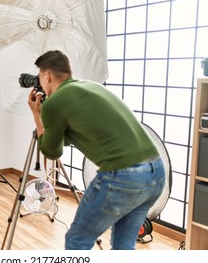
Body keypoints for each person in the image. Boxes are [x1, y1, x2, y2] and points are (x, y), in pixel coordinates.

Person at [27, 50, 165, 250]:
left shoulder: (55, 103)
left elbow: (51, 151)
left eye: (40, 77)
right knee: (123, 245)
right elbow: (66, 139)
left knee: (77, 240)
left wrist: (37, 115)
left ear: (46, 76)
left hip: (123, 176)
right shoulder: (90, 87)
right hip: (156, 173)